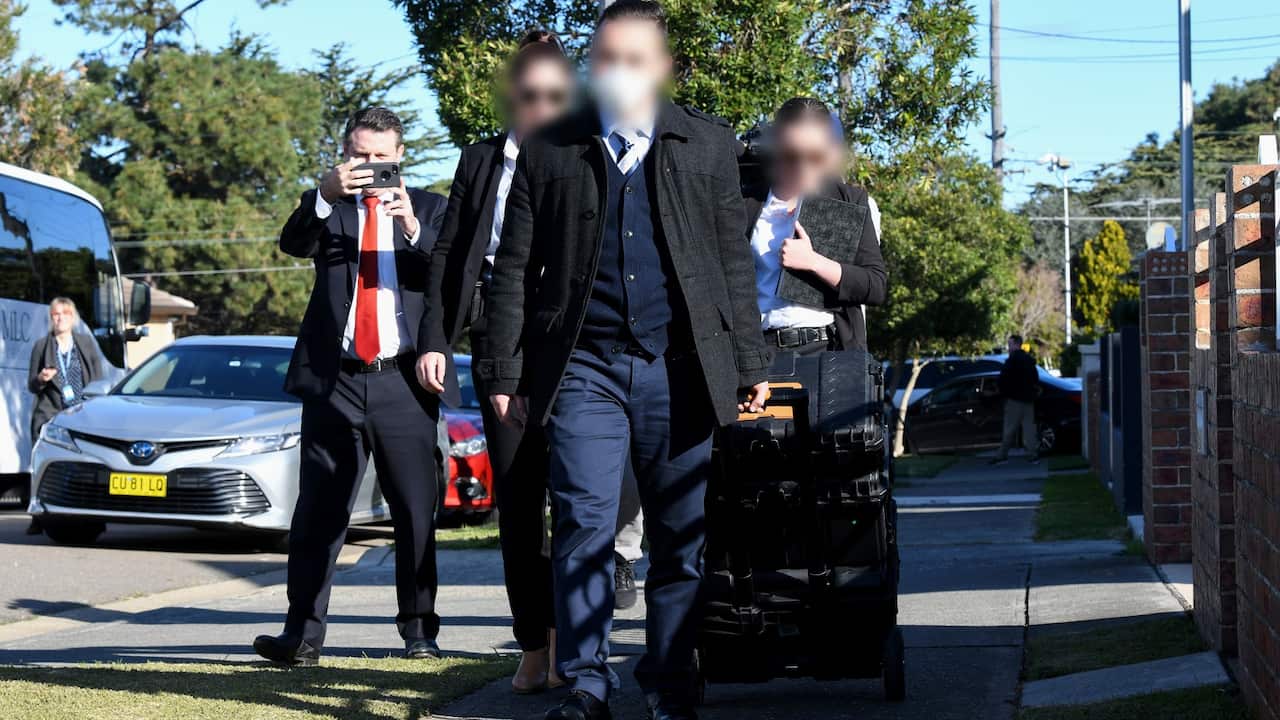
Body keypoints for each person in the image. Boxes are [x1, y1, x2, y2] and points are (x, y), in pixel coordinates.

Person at [477, 2, 771, 718]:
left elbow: (734, 262)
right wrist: (503, 375)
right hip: (584, 369)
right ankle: (586, 683)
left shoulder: (706, 143)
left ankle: (669, 685)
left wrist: (747, 364)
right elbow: (512, 268)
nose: (616, 71)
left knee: (679, 540)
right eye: (603, 57)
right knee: (582, 522)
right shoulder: (551, 147)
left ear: (663, 69)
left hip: (682, 368)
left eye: (633, 58)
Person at [253, 107, 451, 667]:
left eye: (381, 158)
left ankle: (420, 632)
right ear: (345, 153)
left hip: (404, 380)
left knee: (414, 511)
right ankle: (303, 635)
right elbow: (294, 243)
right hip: (334, 378)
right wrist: (321, 194)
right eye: (360, 156)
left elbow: (449, 274)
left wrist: (410, 224)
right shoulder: (329, 206)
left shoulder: (431, 208)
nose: (370, 167)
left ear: (400, 156)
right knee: (319, 511)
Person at [415, 30, 575, 694]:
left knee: (579, 501)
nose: (539, 106)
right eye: (528, 93)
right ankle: (533, 642)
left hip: (572, 344)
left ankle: (575, 637)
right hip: (495, 342)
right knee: (517, 503)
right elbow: (449, 253)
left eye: (553, 95)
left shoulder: (586, 155)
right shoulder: (480, 159)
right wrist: (433, 338)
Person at [745, 97, 886, 353]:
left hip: (825, 347)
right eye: (791, 156)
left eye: (815, 157)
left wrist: (813, 262)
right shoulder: (748, 201)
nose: (802, 167)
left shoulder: (847, 201)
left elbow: (874, 286)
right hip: (758, 351)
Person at [27, 297, 103, 534]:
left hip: (81, 412)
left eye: (64, 314)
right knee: (43, 464)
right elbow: (31, 384)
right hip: (50, 412)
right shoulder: (42, 345)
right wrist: (41, 379)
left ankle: (93, 514)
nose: (59, 318)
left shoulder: (86, 343)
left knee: (88, 464)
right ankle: (39, 516)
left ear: (73, 317)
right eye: (55, 314)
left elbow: (98, 379)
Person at [992, 334, 1042, 464]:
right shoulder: (1029, 360)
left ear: (1015, 344)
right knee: (1029, 429)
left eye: (1010, 344)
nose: (1008, 347)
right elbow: (1035, 379)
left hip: (1014, 399)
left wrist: (1002, 392)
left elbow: (1004, 380)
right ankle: (1032, 455)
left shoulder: (1012, 360)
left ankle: (1001, 456)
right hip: (1028, 399)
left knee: (1009, 429)